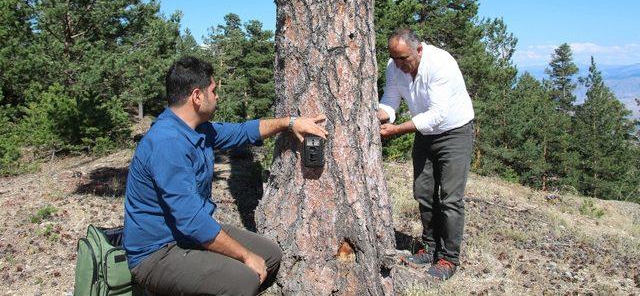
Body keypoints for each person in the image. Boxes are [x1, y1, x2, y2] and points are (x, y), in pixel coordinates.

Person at [123, 56, 328, 295]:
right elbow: (191, 220)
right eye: (213, 90)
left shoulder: (198, 129)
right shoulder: (167, 143)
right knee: (242, 280)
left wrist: (290, 123)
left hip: (188, 235)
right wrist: (245, 255)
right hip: (157, 252)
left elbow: (243, 131)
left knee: (269, 256)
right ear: (197, 96)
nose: (217, 96)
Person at [377, 28, 474, 281]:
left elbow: (438, 114)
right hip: (424, 133)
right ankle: (429, 248)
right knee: (423, 192)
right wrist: (376, 116)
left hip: (454, 132)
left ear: (418, 49)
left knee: (450, 198)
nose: (399, 64)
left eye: (404, 59)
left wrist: (397, 129)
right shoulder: (394, 66)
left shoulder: (441, 64)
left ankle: (448, 258)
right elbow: (390, 99)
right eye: (394, 58)